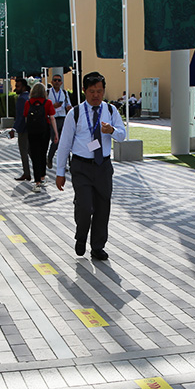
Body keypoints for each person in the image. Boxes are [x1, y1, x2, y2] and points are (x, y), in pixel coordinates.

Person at [54, 71, 127, 259]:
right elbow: (64, 144)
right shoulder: (75, 113)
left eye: (100, 91)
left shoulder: (110, 111)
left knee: (103, 207)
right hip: (81, 166)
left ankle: (97, 246)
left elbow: (122, 134)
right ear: (84, 91)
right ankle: (81, 237)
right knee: (85, 206)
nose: (96, 95)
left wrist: (111, 130)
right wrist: (60, 172)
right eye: (92, 91)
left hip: (102, 166)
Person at [24, 82, 59, 192]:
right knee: (43, 153)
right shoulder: (48, 103)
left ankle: (37, 180)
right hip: (45, 131)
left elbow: (25, 117)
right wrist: (56, 133)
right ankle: (43, 177)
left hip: (32, 132)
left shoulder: (28, 103)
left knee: (35, 155)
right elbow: (52, 118)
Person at [47, 74, 72, 169]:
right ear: (52, 82)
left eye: (58, 80)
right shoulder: (48, 92)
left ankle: (66, 163)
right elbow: (45, 106)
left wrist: (68, 107)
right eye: (55, 80)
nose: (57, 82)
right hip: (52, 118)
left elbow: (68, 104)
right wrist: (53, 106)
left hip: (63, 118)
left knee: (65, 141)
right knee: (55, 140)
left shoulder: (64, 93)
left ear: (61, 82)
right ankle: (50, 158)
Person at [11, 77, 32, 182]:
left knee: (24, 152)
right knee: (31, 151)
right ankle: (40, 170)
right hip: (31, 128)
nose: (16, 88)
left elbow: (20, 116)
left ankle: (27, 173)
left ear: (23, 87)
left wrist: (14, 129)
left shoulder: (21, 99)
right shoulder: (29, 97)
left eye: (18, 86)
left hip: (23, 130)